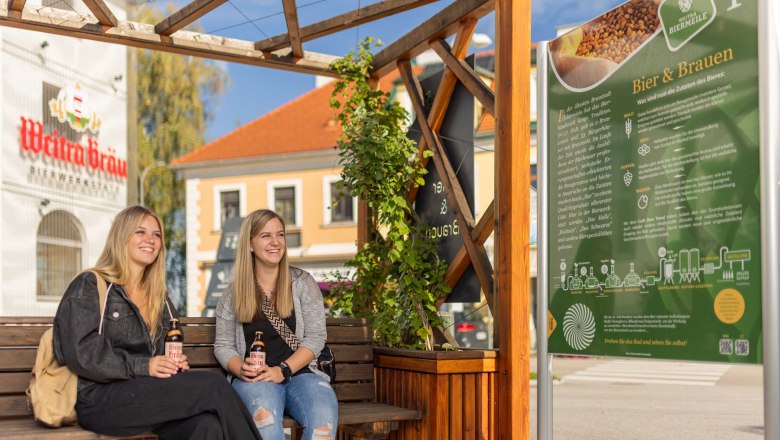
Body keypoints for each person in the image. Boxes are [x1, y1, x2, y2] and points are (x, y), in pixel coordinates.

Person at [53, 205, 261, 440]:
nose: (150, 240)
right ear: (122, 237)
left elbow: (168, 347)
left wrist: (172, 364)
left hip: (146, 394)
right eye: (140, 232)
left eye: (157, 234)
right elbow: (82, 354)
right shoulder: (90, 284)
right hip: (99, 398)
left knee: (207, 426)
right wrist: (145, 366)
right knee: (213, 386)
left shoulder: (159, 297)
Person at [214, 209, 338, 439]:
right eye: (265, 236)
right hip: (256, 380)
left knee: (324, 423)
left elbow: (316, 338)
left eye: (280, 235)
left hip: (300, 375)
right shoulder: (232, 295)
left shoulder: (303, 284)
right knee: (266, 424)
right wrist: (240, 368)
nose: (275, 242)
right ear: (250, 244)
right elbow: (223, 345)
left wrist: (283, 370)